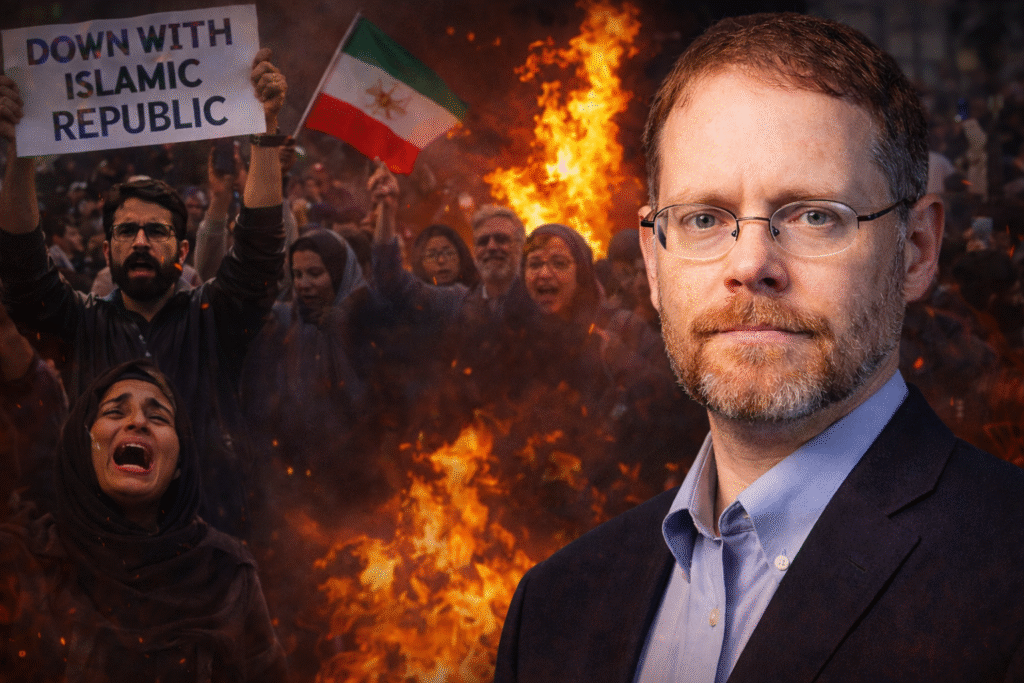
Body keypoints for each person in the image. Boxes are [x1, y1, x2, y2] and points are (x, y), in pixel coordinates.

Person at [495, 13, 1024, 683]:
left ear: (915, 251)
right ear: (654, 264)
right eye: (703, 218)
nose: (750, 264)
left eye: (814, 215)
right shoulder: (553, 608)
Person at [0, 50, 288, 537]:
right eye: (125, 231)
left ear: (182, 250)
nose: (139, 242)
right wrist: (23, 151)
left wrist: (264, 131)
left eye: (155, 231)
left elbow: (260, 250)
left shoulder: (213, 317)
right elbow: (22, 269)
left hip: (209, 538)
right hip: (102, 547)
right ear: (106, 248)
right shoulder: (82, 324)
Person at [0, 360, 287, 682]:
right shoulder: (23, 561)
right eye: (114, 412)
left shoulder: (227, 573)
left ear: (179, 463)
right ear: (84, 448)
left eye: (159, 417)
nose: (137, 422)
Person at [411, 223, 479, 288]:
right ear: (420, 262)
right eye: (431, 255)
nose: (441, 260)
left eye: (449, 253)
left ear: (461, 256)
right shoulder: (412, 294)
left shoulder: (480, 291)